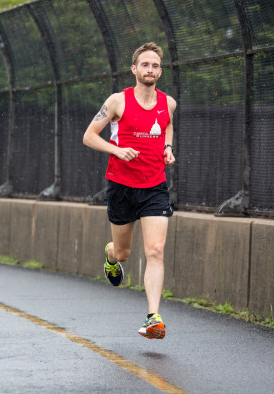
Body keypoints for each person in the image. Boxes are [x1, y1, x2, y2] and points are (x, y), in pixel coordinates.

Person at [82, 42, 176, 340]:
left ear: (160, 71)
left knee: (155, 251)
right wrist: (117, 150)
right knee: (123, 251)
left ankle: (153, 318)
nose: (150, 70)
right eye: (145, 65)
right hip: (121, 186)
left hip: (155, 186)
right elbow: (89, 136)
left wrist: (168, 148)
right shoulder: (117, 101)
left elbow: (168, 125)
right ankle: (110, 258)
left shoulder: (168, 103)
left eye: (155, 65)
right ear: (134, 69)